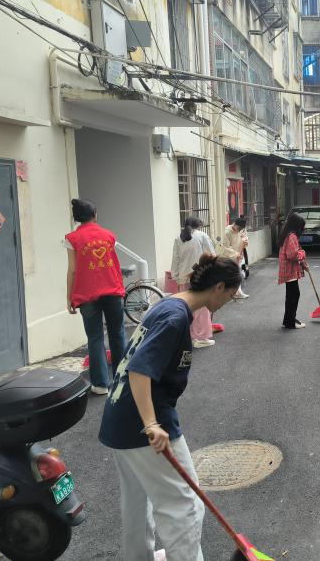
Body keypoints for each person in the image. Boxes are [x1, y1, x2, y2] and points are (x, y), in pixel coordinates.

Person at [99, 254, 242, 561]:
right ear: (219, 287)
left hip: (119, 418)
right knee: (185, 503)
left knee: (138, 501)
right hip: (143, 422)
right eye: (230, 295)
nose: (228, 302)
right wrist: (151, 424)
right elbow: (139, 369)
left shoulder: (168, 305)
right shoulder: (175, 318)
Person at [65, 198, 127, 395]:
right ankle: (121, 378)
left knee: (95, 337)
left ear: (77, 218)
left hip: (87, 293)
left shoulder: (72, 238)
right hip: (112, 291)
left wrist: (69, 296)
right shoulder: (109, 235)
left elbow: (72, 270)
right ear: (95, 215)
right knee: (118, 333)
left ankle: (100, 384)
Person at [171, 217, 216, 348]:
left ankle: (188, 337)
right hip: (199, 276)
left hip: (183, 278)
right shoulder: (202, 236)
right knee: (201, 308)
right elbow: (212, 255)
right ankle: (200, 338)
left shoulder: (178, 238)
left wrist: (176, 277)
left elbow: (175, 259)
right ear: (198, 225)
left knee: (187, 308)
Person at [278, 212, 308, 329]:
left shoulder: (287, 234)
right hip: (290, 270)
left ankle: (289, 320)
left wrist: (303, 264)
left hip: (288, 269)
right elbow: (292, 255)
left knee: (291, 295)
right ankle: (290, 322)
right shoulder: (292, 236)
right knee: (293, 295)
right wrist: (302, 253)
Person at [220, 216, 249, 299]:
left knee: (236, 275)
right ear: (235, 224)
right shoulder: (227, 232)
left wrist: (245, 241)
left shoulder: (241, 230)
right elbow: (225, 247)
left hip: (238, 256)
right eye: (238, 229)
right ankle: (232, 293)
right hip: (229, 257)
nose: (239, 231)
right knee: (232, 275)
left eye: (241, 229)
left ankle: (236, 292)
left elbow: (244, 237)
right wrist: (236, 254)